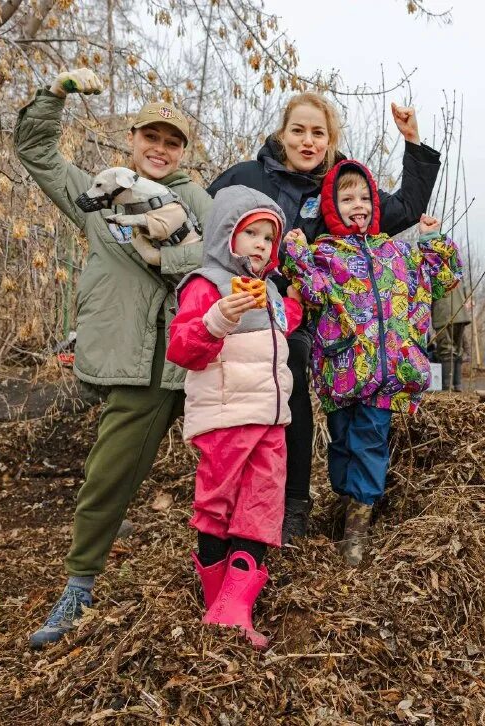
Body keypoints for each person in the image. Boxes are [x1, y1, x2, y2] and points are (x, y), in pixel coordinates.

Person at [14, 68, 212, 649]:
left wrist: (166, 259)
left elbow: (227, 255)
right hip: (135, 363)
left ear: (183, 151)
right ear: (132, 139)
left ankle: (233, 580)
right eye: (151, 137)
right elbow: (36, 152)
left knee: (224, 474)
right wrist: (56, 93)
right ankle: (80, 585)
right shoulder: (100, 194)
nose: (159, 148)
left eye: (172, 141)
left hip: (195, 360)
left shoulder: (198, 198)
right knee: (108, 472)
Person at [207, 94, 441, 545]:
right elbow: (207, 219)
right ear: (282, 132)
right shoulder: (247, 177)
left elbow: (405, 208)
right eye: (298, 130)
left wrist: (412, 142)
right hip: (239, 306)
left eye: (319, 133)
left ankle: (294, 505)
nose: (307, 141)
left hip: (302, 321)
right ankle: (230, 507)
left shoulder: (336, 190)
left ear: (330, 140)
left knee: (292, 373)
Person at [282, 160, 462, 566]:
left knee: (370, 443)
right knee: (342, 446)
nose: (358, 205)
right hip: (341, 370)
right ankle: (347, 501)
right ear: (332, 206)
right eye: (347, 198)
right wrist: (294, 249)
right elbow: (309, 290)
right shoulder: (325, 254)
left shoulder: (394, 252)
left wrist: (433, 238)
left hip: (387, 374)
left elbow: (442, 277)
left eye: (365, 197)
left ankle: (357, 529)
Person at [166, 186, 303, 648]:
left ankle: (235, 607)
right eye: (252, 234)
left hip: (271, 418)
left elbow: (284, 327)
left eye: (270, 237)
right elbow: (182, 348)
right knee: (218, 506)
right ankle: (216, 602)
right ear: (227, 235)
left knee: (262, 507)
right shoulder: (206, 285)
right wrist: (217, 318)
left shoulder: (269, 291)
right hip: (225, 417)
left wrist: (301, 298)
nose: (263, 244)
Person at [431, 284, 471, 391]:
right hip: (461, 313)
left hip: (443, 313)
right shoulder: (454, 270)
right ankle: (457, 385)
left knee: (446, 349)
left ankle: (446, 387)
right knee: (457, 350)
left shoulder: (433, 269)